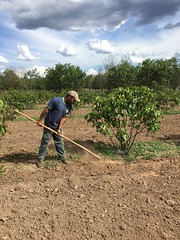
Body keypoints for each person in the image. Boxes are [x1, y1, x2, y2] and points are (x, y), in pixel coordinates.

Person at [36, 90, 80, 167]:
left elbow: (64, 118)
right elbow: (46, 110)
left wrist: (59, 128)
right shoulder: (56, 100)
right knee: (45, 142)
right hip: (48, 125)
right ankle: (40, 159)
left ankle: (62, 158)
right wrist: (40, 120)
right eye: (74, 100)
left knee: (59, 142)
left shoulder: (70, 107)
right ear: (70, 97)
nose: (74, 102)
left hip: (57, 127)